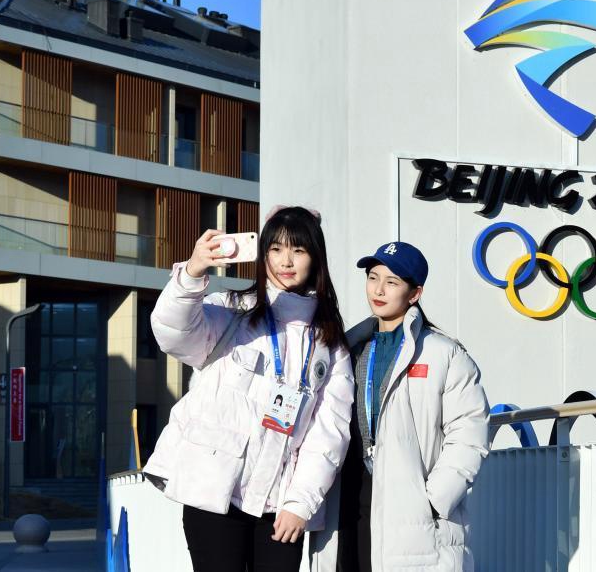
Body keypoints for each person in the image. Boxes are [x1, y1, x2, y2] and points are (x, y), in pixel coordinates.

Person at [143, 206, 355, 572]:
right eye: (275, 249)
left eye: (298, 250)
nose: (285, 261)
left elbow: (329, 434)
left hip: (280, 507)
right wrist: (192, 273)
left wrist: (299, 504)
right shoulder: (231, 312)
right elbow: (172, 332)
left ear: (315, 258)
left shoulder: (329, 342)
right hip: (213, 493)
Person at [310, 241, 490, 572]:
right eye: (373, 277)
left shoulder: (444, 353)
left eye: (392, 282)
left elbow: (470, 432)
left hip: (410, 504)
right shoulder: (348, 348)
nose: (378, 289)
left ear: (414, 293)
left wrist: (432, 500)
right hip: (348, 496)